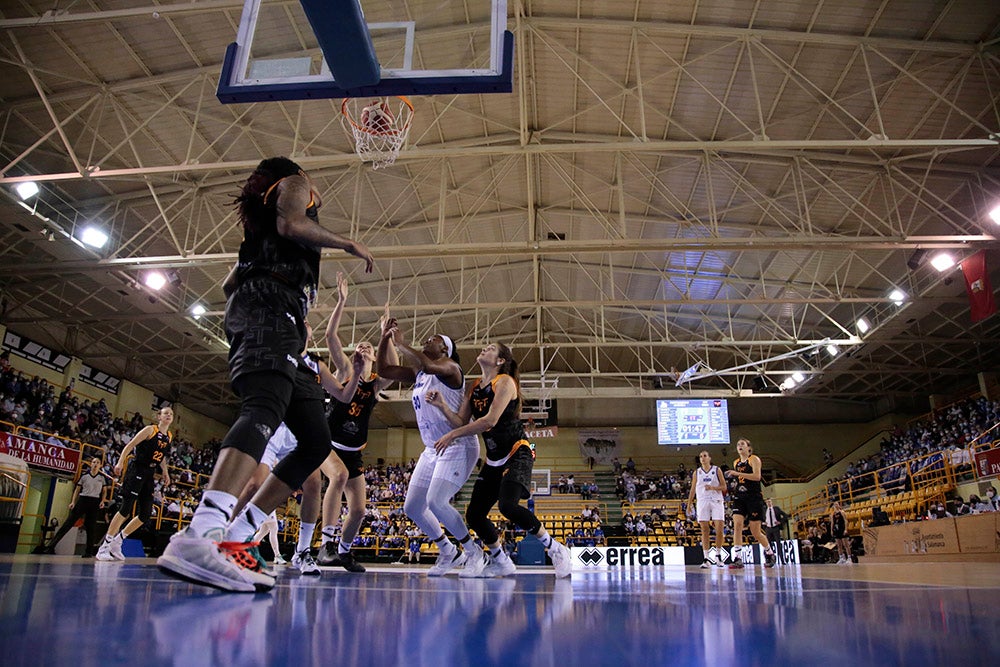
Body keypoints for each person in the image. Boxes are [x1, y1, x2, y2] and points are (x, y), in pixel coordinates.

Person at [157, 157, 374, 593]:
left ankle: (237, 537)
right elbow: (292, 226)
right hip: (271, 313)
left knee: (315, 441)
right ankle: (201, 533)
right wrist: (348, 243)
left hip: (279, 320)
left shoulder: (257, 230)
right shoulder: (294, 184)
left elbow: (227, 286)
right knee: (263, 407)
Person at [427, 342, 572, 578]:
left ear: (500, 361)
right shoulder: (474, 387)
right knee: (474, 515)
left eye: (491, 348)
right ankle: (501, 560)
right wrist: (442, 406)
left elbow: (490, 421)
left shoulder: (504, 382)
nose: (484, 349)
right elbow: (461, 422)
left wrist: (451, 435)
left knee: (507, 506)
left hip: (517, 452)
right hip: (494, 459)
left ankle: (555, 549)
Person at [375, 317, 484, 577]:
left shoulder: (451, 367)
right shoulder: (420, 373)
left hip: (457, 444)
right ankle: (448, 550)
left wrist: (402, 344)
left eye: (434, 338)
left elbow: (425, 362)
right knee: (412, 507)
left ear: (444, 348)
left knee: (436, 501)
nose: (427, 339)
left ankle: (473, 550)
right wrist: (384, 337)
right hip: (432, 448)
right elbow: (384, 370)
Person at [316, 274, 397, 573]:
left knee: (360, 509)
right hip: (328, 444)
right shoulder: (346, 369)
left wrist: (384, 335)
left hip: (354, 451)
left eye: (368, 347)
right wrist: (341, 302)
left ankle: (343, 551)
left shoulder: (376, 384)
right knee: (336, 477)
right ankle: (325, 544)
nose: (363, 348)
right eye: (360, 345)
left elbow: (394, 365)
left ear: (375, 357)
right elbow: (330, 338)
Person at [96, 406, 174, 561]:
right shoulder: (149, 430)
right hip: (137, 469)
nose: (169, 416)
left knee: (145, 514)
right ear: (159, 416)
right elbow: (130, 445)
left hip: (150, 474)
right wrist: (119, 462)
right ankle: (104, 546)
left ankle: (118, 541)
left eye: (171, 414)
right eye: (166, 413)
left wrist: (165, 472)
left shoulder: (169, 436)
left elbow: (162, 457)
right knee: (125, 508)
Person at [35, 456, 110, 556]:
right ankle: (50, 546)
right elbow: (77, 490)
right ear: (91, 464)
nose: (95, 464)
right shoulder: (84, 476)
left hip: (94, 501)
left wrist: (103, 500)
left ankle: (88, 552)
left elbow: (104, 491)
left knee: (91, 528)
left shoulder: (102, 478)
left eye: (97, 462)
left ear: (100, 465)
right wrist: (73, 502)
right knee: (68, 524)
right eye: (93, 462)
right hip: (83, 499)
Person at [724, 438, 776, 568]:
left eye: (742, 444)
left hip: (754, 498)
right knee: (737, 525)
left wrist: (736, 473)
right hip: (740, 497)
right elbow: (741, 479)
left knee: (755, 532)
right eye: (738, 445)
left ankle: (769, 552)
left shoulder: (754, 459)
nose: (739, 446)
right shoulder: (736, 462)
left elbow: (757, 477)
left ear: (749, 448)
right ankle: (737, 558)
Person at [686, 450, 726, 568]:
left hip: (716, 500)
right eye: (700, 457)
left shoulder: (717, 470)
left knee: (719, 528)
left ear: (709, 458)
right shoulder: (697, 473)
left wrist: (713, 487)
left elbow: (724, 487)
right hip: (702, 500)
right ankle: (706, 558)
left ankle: (718, 555)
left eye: (704, 456)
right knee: (704, 529)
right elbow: (692, 489)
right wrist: (689, 504)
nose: (702, 458)